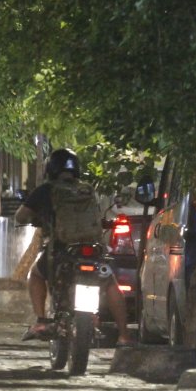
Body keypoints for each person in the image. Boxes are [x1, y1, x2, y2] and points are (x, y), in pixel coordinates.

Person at [15, 148, 134, 346]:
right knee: (110, 282)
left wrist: (35, 217)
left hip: (62, 249)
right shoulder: (87, 189)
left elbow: (20, 216)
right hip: (92, 248)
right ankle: (123, 335)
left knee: (36, 274)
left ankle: (42, 320)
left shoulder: (46, 190)